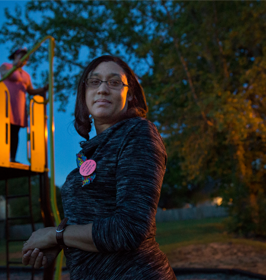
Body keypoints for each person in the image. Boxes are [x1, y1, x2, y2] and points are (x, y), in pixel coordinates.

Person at [21, 55, 176, 279]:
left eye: (114, 82)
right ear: (84, 94)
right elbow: (94, 215)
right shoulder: (92, 151)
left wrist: (57, 235)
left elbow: (129, 229)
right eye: (94, 82)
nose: (102, 89)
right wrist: (62, 243)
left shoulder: (138, 134)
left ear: (130, 94)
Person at [0, 47, 48, 162]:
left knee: (15, 132)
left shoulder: (26, 75)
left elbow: (30, 90)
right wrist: (15, 66)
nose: (23, 59)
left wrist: (44, 88)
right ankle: (0, 155)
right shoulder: (6, 66)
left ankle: (12, 157)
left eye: (26, 57)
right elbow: (3, 74)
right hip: (6, 103)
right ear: (15, 56)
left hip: (19, 107)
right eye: (21, 55)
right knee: (4, 129)